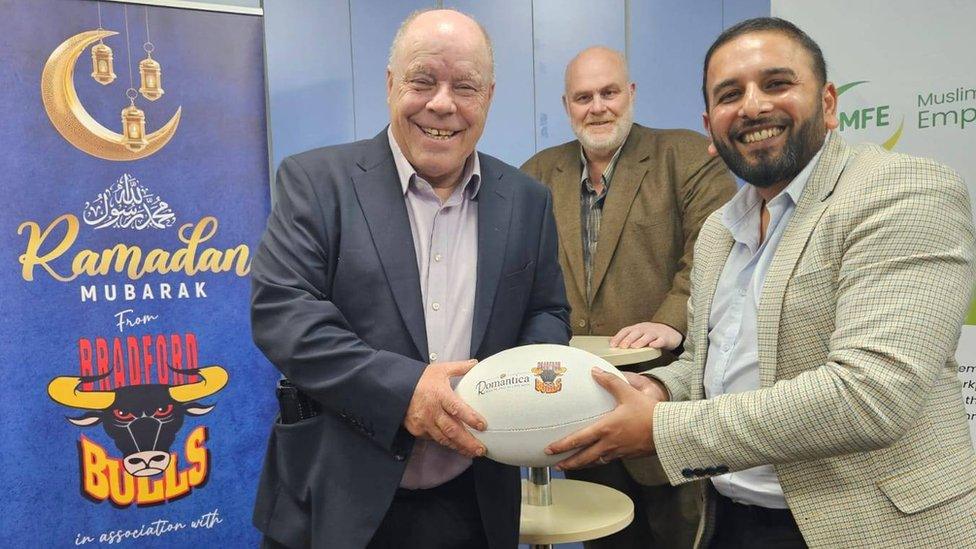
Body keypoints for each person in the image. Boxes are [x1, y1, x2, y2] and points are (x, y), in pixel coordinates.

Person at [547, 17, 976, 548]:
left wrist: (661, 426)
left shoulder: (901, 192)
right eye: (730, 94)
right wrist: (656, 387)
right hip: (727, 518)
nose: (752, 106)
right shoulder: (721, 234)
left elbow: (872, 395)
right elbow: (714, 366)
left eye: (776, 84)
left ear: (828, 102)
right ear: (711, 123)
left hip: (869, 526)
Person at [250, 9, 570, 549]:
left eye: (464, 86)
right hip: (335, 499)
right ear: (391, 84)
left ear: (488, 97)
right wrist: (407, 392)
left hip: (475, 498)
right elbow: (284, 313)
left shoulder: (528, 201)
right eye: (423, 80)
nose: (442, 103)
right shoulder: (315, 182)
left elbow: (547, 311)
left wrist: (513, 391)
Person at [521, 46, 735, 549]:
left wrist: (672, 319)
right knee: (600, 537)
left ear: (631, 93)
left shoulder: (685, 156)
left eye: (609, 92)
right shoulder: (534, 175)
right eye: (583, 96)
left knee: (683, 538)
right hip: (578, 406)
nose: (597, 106)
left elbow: (715, 248)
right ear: (567, 104)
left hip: (670, 404)